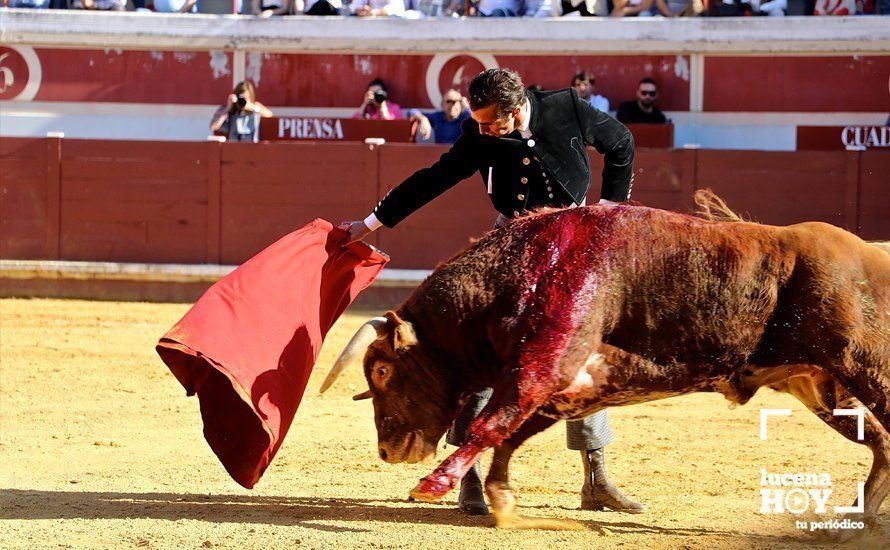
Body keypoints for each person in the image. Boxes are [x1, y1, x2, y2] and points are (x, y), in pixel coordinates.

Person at [339, 68, 643, 517]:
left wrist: (610, 213)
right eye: (478, 123)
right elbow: (433, 179)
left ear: (517, 109)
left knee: (580, 352)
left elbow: (621, 145)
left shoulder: (566, 108)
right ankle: (471, 477)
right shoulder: (478, 134)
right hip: (511, 244)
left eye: (490, 124)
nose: (481, 131)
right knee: (483, 349)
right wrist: (368, 225)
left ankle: (595, 479)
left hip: (570, 246)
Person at [209, 81, 273, 143]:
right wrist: (228, 109)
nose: (243, 101)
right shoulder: (228, 109)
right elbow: (213, 127)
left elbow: (269, 114)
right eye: (241, 98)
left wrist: (251, 107)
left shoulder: (255, 106)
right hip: (233, 147)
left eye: (246, 98)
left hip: (252, 148)